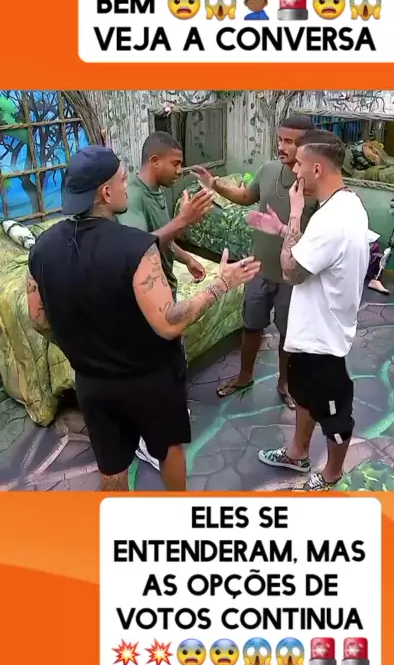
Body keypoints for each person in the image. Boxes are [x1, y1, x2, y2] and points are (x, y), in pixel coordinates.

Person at [26, 146, 260, 492]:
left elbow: (38, 319)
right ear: (106, 193)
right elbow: (169, 322)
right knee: (169, 450)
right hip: (151, 381)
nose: (127, 186)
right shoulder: (136, 247)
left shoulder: (41, 248)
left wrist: (80, 346)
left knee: (111, 468)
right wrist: (221, 284)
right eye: (122, 180)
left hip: (92, 383)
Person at [247, 129, 369, 491]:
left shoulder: (330, 220)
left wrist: (295, 216)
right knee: (304, 394)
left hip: (323, 338)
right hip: (314, 331)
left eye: (299, 163)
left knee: (334, 412)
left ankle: (332, 474)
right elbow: (316, 255)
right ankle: (298, 453)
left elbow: (291, 270)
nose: (295, 170)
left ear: (317, 168)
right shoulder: (346, 203)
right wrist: (283, 229)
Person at [192, 114, 317, 408]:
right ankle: (244, 376)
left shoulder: (315, 184)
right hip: (258, 268)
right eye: (280, 139)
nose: (282, 146)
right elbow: (246, 196)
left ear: (307, 146)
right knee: (251, 326)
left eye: (290, 142)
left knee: (289, 335)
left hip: (292, 277)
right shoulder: (269, 169)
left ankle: (285, 384)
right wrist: (215, 184)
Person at [118, 131, 214, 469]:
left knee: (170, 358)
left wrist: (185, 258)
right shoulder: (133, 196)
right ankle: (148, 440)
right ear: (154, 161)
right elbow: (136, 245)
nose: (179, 170)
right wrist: (183, 220)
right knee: (152, 368)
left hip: (165, 287)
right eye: (175, 163)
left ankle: (166, 413)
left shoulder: (158, 192)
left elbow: (163, 236)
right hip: (147, 297)